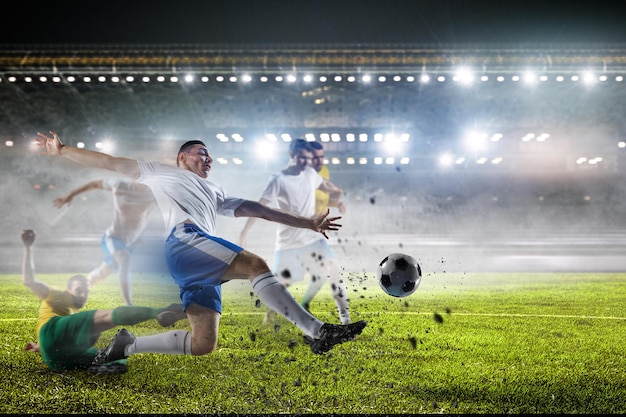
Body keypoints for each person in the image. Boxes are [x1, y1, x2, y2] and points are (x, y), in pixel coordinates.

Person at [35, 131, 366, 364]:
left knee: (202, 344)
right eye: (202, 152)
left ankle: (129, 345)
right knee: (254, 265)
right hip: (186, 240)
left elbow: (260, 209)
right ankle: (318, 331)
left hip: (196, 255)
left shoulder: (216, 191)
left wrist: (307, 222)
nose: (209, 158)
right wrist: (63, 150)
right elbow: (107, 162)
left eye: (210, 155)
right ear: (183, 157)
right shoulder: (159, 172)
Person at [20, 228, 184, 375]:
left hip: (55, 360)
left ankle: (108, 364)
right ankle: (160, 311)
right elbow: (29, 281)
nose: (83, 295)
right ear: (68, 290)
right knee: (106, 317)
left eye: (86, 291)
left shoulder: (68, 313)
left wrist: (38, 347)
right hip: (50, 334)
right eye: (79, 290)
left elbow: (54, 342)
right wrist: (28, 247)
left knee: (111, 354)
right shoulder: (57, 295)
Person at [239, 139, 351, 326]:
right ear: (292, 155)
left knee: (334, 272)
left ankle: (346, 321)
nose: (306, 162)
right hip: (288, 243)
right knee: (280, 288)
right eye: (302, 158)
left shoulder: (309, 173)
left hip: (314, 238)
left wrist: (337, 195)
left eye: (308, 158)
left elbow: (326, 186)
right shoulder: (278, 180)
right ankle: (270, 317)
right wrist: (244, 233)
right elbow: (260, 207)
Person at [54, 178, 157, 305]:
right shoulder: (119, 185)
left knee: (103, 272)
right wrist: (69, 195)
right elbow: (94, 183)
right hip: (113, 238)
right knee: (124, 259)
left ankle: (74, 291)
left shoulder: (154, 193)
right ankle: (128, 305)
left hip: (130, 243)